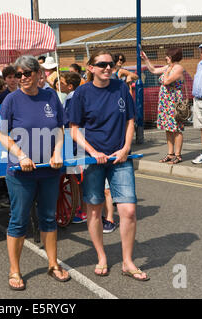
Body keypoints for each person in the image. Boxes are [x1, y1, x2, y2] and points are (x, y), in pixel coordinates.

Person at [67, 49, 149, 281]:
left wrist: (125, 149)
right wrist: (93, 152)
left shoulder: (121, 88)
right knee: (94, 210)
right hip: (93, 160)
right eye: (102, 64)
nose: (107, 68)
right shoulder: (81, 93)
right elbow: (74, 129)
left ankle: (127, 261)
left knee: (129, 211)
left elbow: (131, 120)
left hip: (120, 158)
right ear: (91, 68)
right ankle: (101, 256)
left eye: (110, 64)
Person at [0, 55, 71, 290]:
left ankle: (53, 264)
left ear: (38, 74)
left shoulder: (50, 96)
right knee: (18, 220)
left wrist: (57, 151)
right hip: (21, 172)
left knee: (49, 217)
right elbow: (1, 133)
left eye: (27, 73)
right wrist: (21, 155)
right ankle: (14, 270)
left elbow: (60, 128)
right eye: (18, 75)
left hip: (49, 169)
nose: (22, 78)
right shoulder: (11, 100)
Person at [141, 47, 186, 165]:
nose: (166, 58)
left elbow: (166, 81)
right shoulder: (168, 67)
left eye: (168, 56)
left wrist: (167, 71)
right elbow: (153, 71)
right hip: (165, 102)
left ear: (173, 57)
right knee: (168, 128)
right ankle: (170, 154)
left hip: (174, 102)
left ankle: (178, 155)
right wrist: (146, 59)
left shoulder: (178, 68)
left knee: (176, 128)